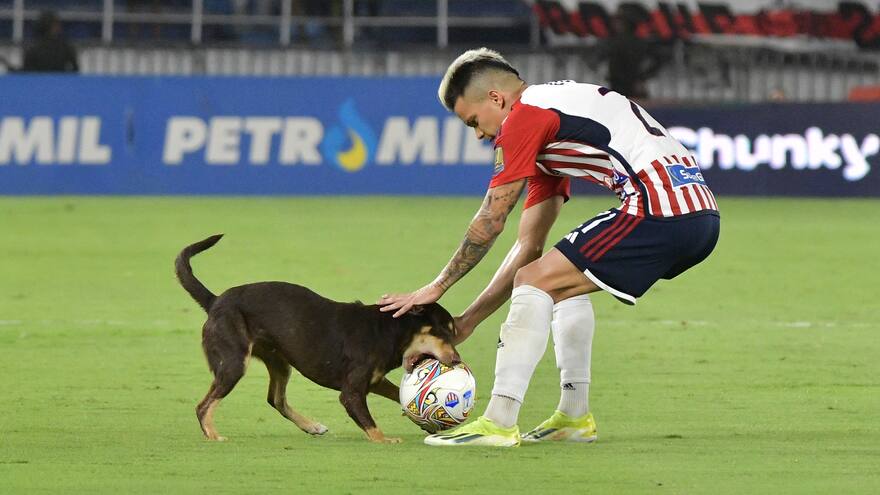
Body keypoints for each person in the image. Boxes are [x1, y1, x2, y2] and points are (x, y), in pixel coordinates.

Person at [379, 48, 720, 447]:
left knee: (538, 281)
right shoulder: (550, 120)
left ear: (495, 98)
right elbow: (529, 246)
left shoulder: (526, 115)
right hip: (697, 212)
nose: (478, 134)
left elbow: (490, 221)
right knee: (553, 283)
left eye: (473, 121)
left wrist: (436, 288)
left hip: (659, 207)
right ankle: (573, 418)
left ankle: (499, 422)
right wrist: (467, 321)